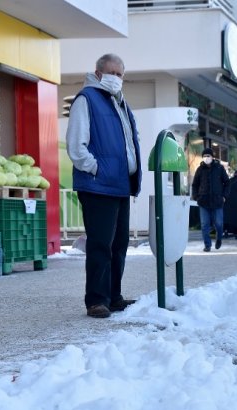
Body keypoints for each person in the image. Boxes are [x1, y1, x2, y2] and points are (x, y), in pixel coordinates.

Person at [66, 53, 142, 319]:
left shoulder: (119, 103)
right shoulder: (87, 100)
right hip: (99, 185)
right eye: (111, 72)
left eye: (120, 74)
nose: (116, 78)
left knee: (119, 245)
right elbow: (76, 147)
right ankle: (96, 300)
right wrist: (97, 168)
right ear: (98, 73)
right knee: (100, 245)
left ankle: (113, 296)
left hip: (120, 184)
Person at [191, 148, 229, 252]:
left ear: (212, 157)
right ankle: (207, 245)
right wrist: (196, 196)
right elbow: (195, 185)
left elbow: (227, 183)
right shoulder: (200, 169)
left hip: (217, 201)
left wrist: (224, 196)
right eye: (205, 156)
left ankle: (219, 238)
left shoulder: (219, 168)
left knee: (219, 223)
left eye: (208, 156)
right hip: (203, 201)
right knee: (204, 224)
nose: (206, 158)